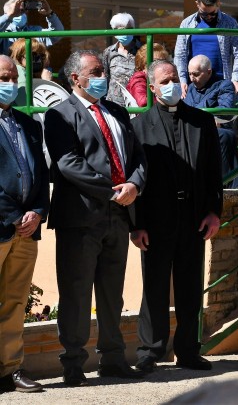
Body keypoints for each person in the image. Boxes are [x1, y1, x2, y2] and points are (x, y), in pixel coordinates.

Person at [44, 50, 147, 387]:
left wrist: (134, 184)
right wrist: (112, 189)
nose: (104, 76)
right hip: (81, 217)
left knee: (111, 292)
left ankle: (113, 358)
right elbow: (68, 164)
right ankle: (73, 362)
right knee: (75, 292)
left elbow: (138, 158)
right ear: (76, 78)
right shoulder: (60, 114)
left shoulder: (117, 111)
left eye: (103, 70)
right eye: (97, 71)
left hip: (118, 216)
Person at [130, 60, 223, 374]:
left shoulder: (202, 122)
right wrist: (137, 224)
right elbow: (135, 179)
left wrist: (214, 213)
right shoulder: (138, 126)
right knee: (154, 287)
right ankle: (149, 351)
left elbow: (213, 173)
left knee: (190, 287)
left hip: (194, 217)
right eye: (164, 81)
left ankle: (187, 350)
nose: (171, 84)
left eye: (174, 78)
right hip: (156, 221)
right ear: (153, 88)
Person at [0, 55, 49, 393]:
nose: (11, 83)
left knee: (15, 302)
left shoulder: (29, 123)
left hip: (27, 232)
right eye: (4, 76)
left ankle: (10, 369)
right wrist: (14, 216)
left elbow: (41, 174)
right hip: (5, 225)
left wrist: (37, 211)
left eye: (14, 76)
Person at [184, 54, 238, 188]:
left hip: (213, 127)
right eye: (189, 74)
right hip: (190, 128)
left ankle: (224, 183)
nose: (192, 78)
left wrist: (205, 117)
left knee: (224, 136)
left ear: (209, 72)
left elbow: (225, 109)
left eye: (196, 74)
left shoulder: (224, 85)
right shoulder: (190, 88)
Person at [174, 0, 238, 98]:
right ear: (197, 4)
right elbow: (180, 55)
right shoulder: (186, 24)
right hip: (193, 86)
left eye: (213, 13)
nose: (209, 17)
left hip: (221, 83)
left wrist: (236, 79)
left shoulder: (230, 23)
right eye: (204, 13)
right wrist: (182, 80)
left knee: (220, 115)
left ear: (218, 4)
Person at [103, 13, 141, 106]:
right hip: (113, 104)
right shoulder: (109, 52)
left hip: (136, 102)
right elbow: (106, 75)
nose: (124, 33)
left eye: (128, 29)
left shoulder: (142, 50)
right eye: (120, 29)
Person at [8, 39, 53, 107]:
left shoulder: (29, 73)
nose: (38, 59)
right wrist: (46, 82)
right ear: (19, 57)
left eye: (41, 56)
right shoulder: (19, 71)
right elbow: (25, 104)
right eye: (33, 55)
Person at [126, 43, 170, 107]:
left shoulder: (163, 78)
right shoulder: (139, 78)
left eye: (164, 61)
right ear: (144, 63)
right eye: (156, 61)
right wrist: (166, 102)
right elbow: (143, 102)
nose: (161, 65)